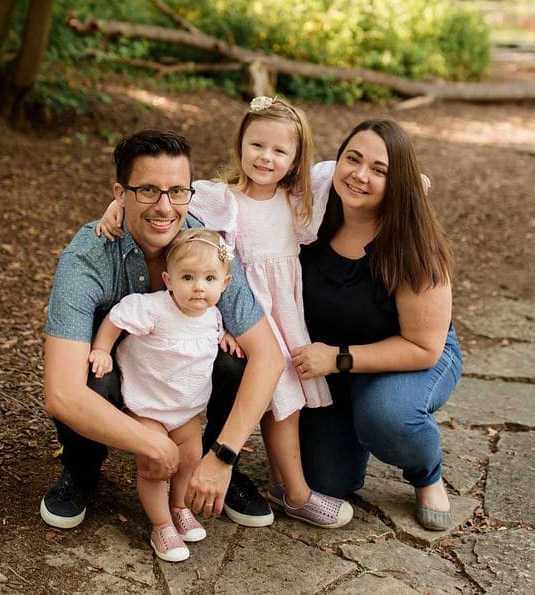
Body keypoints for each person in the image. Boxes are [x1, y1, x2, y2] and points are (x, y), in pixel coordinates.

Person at [98, 97, 353, 529]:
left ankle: (291, 488)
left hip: (281, 316)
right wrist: (116, 206)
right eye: (256, 145)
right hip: (230, 308)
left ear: (294, 161)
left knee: (285, 400)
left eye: (279, 151)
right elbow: (161, 194)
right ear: (240, 145)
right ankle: (284, 487)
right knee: (268, 390)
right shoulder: (219, 198)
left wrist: (409, 177)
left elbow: (331, 171)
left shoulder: (296, 202)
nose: (265, 158)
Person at [41, 129, 284, 533]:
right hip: (120, 371)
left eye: (177, 191)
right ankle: (82, 468)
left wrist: (223, 455)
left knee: (236, 359)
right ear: (121, 194)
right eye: (148, 190)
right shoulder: (88, 256)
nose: (165, 207)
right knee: (90, 373)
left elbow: (270, 356)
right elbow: (61, 392)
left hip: (182, 381)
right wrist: (152, 444)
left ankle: (216, 470)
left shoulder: (207, 246)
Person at [289, 118, 463, 532]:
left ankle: (427, 472)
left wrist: (338, 359)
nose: (360, 176)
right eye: (353, 159)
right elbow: (242, 197)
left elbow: (423, 347)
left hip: (407, 355)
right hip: (332, 365)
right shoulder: (313, 211)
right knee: (326, 482)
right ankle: (357, 420)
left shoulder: (413, 244)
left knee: (387, 416)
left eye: (380, 170)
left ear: (396, 180)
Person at [88, 228, 237, 561]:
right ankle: (161, 525)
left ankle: (179, 507)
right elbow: (116, 318)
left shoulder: (213, 317)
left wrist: (226, 335)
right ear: (169, 280)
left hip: (187, 412)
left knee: (188, 461)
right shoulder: (153, 308)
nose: (199, 287)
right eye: (188, 277)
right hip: (148, 408)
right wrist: (101, 349)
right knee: (155, 465)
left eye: (210, 278)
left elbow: (210, 336)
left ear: (224, 284)